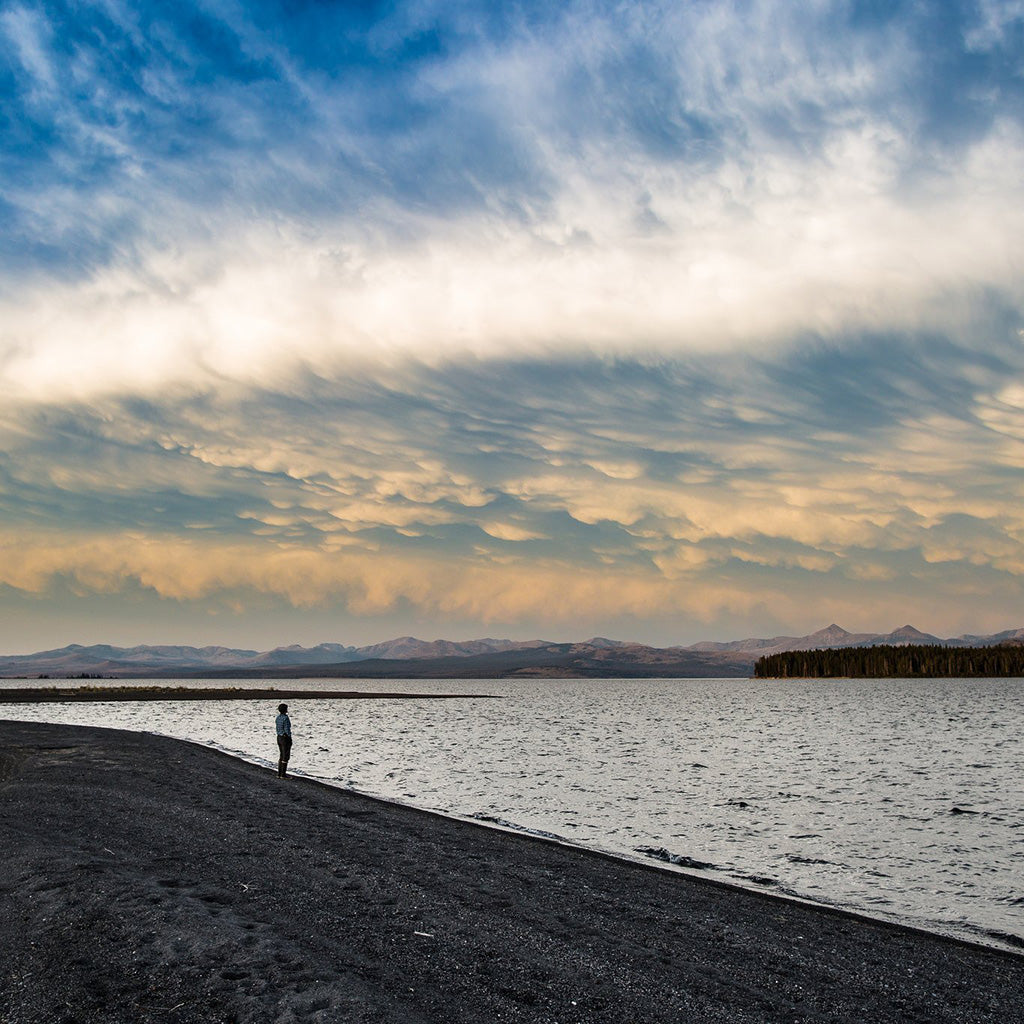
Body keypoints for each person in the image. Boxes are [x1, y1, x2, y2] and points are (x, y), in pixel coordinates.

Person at [275, 703, 292, 778]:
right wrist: (289, 737)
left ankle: (279, 773)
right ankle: (283, 774)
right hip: (285, 738)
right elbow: (287, 729)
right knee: (286, 756)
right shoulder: (285, 718)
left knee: (281, 755)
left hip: (279, 737)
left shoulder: (278, 717)